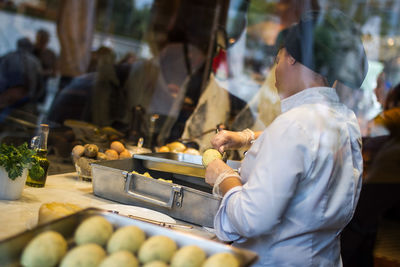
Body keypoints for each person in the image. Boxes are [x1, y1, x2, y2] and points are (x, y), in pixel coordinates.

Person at [204, 10, 368, 266]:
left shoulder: (294, 125)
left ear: (291, 58)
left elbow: (251, 218)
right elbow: (307, 145)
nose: (275, 69)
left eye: (277, 58)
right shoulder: (345, 120)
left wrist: (224, 176)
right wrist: (245, 137)